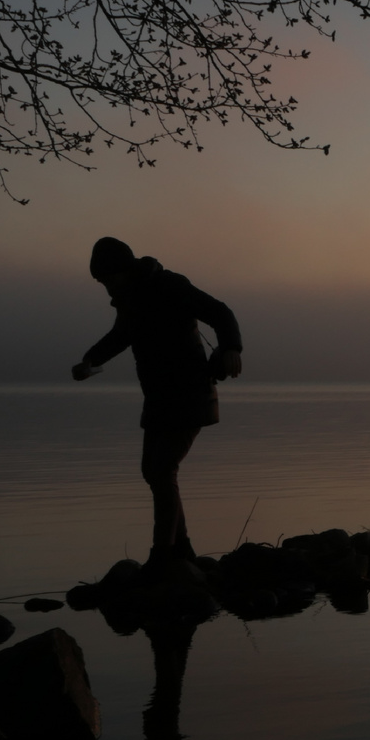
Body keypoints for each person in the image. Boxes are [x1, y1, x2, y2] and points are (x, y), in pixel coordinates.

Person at [72, 237, 242, 573]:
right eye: (101, 282)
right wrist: (90, 360)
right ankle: (182, 549)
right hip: (158, 399)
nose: (106, 287)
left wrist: (231, 348)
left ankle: (163, 556)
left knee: (162, 470)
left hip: (191, 394)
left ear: (123, 270)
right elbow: (120, 337)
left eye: (108, 279)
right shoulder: (129, 301)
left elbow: (220, 313)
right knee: (153, 470)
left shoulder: (169, 286)